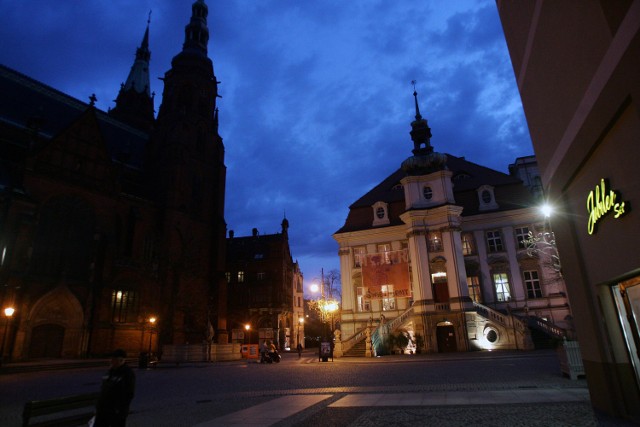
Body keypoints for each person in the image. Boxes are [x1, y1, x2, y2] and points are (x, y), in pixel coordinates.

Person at [94, 349, 136, 427]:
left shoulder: (127, 373)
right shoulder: (110, 371)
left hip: (116, 411)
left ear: (121, 360)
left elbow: (129, 393)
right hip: (103, 409)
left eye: (113, 359)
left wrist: (119, 409)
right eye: (111, 359)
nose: (111, 361)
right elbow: (104, 388)